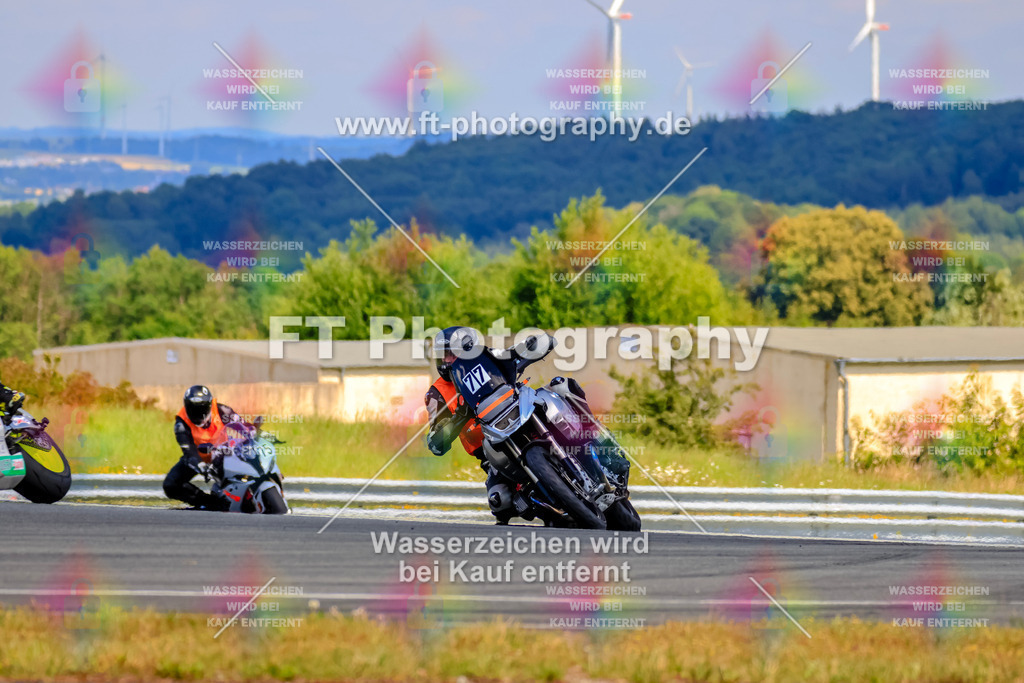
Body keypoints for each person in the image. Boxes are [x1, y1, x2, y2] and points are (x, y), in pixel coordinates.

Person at [425, 327, 514, 524]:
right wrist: (455, 422)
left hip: (519, 422)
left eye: (452, 354)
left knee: (563, 386)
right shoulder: (436, 393)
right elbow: (436, 439)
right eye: (443, 354)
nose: (446, 360)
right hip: (491, 454)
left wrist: (532, 350)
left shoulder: (489, 360)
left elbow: (514, 359)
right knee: (500, 503)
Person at [163, 385, 240, 510]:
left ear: (209, 405)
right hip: (198, 458)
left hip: (224, 455)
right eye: (193, 409)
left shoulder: (222, 411)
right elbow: (189, 451)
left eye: (202, 409)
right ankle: (208, 502)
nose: (198, 414)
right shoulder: (181, 423)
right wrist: (201, 466)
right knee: (170, 485)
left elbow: (245, 430)